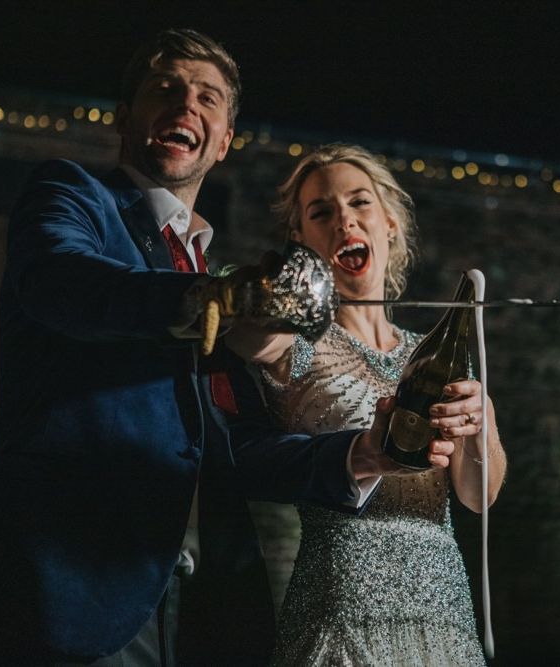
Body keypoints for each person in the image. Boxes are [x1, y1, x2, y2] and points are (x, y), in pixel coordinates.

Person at [0, 33, 403, 666]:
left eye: (207, 97)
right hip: (64, 585)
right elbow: (64, 283)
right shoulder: (72, 197)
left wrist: (363, 454)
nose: (186, 103)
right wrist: (213, 297)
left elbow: (236, 445)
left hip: (197, 605)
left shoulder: (203, 263)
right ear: (126, 118)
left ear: (223, 138)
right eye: (166, 89)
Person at [229, 144, 508, 665]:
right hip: (340, 606)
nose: (344, 221)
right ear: (301, 239)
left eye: (360, 204)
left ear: (389, 225)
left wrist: (481, 420)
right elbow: (243, 339)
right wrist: (286, 295)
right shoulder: (297, 343)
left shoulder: (433, 352)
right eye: (321, 212)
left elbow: (478, 497)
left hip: (442, 609)